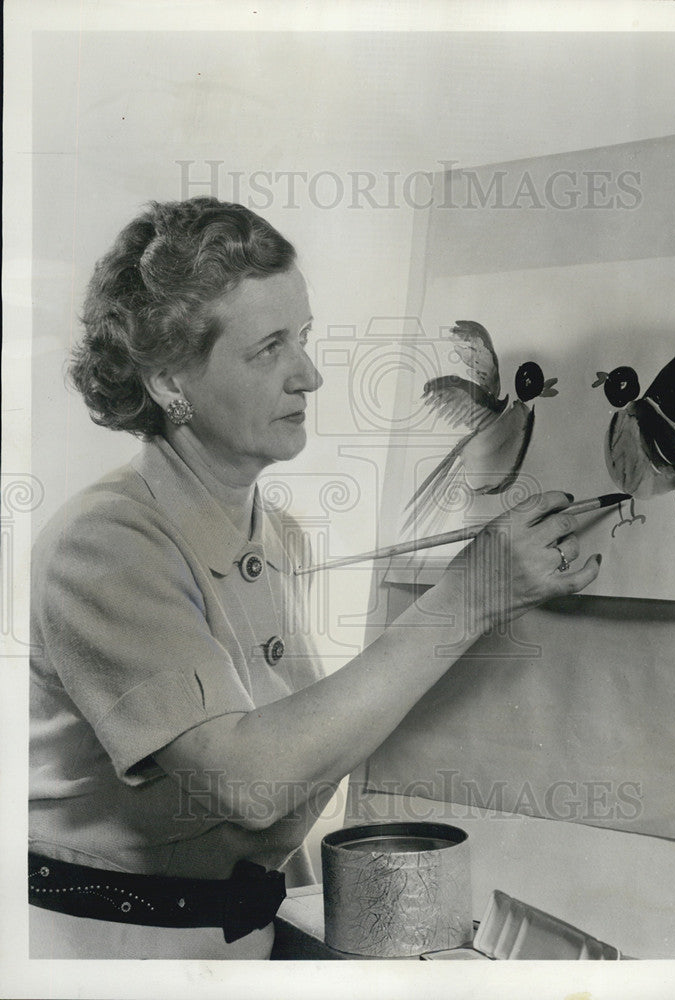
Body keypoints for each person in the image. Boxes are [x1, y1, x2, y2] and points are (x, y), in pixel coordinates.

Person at [28, 197, 601, 960]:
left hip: (246, 937)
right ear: (170, 383)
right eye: (269, 348)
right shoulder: (102, 545)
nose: (311, 375)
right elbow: (249, 786)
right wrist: (471, 595)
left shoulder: (282, 537)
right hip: (108, 954)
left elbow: (295, 775)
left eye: (303, 336)